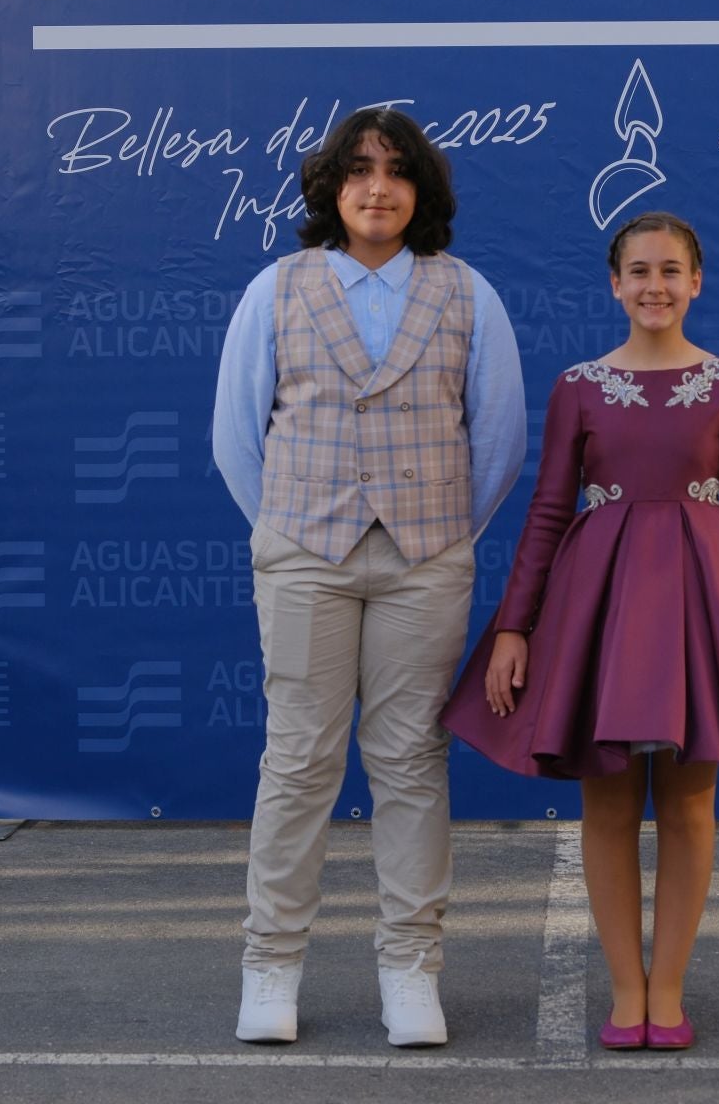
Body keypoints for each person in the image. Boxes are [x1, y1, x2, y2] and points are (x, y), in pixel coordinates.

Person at [440, 211, 719, 1052]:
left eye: (671, 270)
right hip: (603, 607)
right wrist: (515, 626)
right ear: (614, 284)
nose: (654, 285)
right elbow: (551, 508)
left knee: (693, 804)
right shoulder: (579, 386)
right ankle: (626, 991)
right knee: (609, 798)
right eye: (638, 271)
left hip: (707, 602)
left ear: (697, 282)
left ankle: (669, 990)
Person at [212, 107, 525, 1048]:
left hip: (425, 562)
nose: (377, 189)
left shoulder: (468, 293)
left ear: (421, 191)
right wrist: (292, 530)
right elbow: (237, 436)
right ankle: (270, 966)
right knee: (299, 760)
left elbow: (499, 438)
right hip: (305, 554)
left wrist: (436, 533)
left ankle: (411, 970)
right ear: (331, 189)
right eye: (359, 172)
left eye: (396, 172)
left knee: (410, 764)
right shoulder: (276, 288)